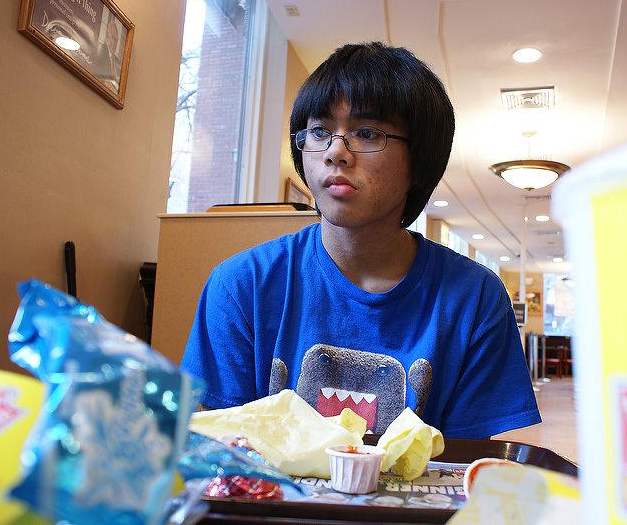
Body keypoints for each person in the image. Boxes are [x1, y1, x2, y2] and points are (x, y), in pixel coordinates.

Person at [180, 42, 540, 438]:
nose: (335, 152)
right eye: (319, 131)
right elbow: (216, 452)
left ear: (419, 163)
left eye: (366, 133)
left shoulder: (474, 297)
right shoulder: (242, 285)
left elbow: (463, 467)